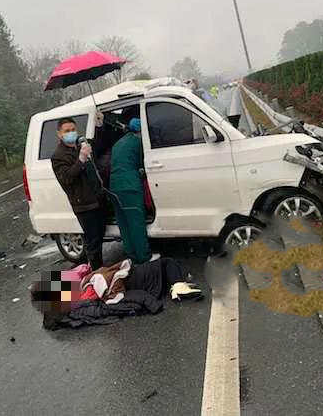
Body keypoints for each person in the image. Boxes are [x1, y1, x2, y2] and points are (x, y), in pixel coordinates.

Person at [30, 257, 203, 329]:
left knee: (165, 266)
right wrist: (152, 304)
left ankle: (178, 284)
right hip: (129, 281)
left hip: (128, 278)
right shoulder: (84, 297)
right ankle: (178, 286)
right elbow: (114, 300)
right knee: (166, 263)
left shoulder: (79, 290)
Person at [51, 113, 106, 270]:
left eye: (73, 129)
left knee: (100, 235)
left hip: (97, 199)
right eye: (67, 130)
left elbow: (99, 145)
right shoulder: (58, 156)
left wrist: (100, 126)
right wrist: (80, 159)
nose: (71, 133)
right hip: (84, 205)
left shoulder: (80, 145)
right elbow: (66, 178)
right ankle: (97, 272)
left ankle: (100, 268)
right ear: (59, 134)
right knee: (92, 241)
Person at [109, 117, 158, 264]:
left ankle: (132, 256)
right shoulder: (138, 143)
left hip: (114, 187)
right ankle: (144, 257)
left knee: (124, 223)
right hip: (129, 186)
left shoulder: (118, 143)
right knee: (136, 222)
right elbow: (142, 164)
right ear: (140, 131)